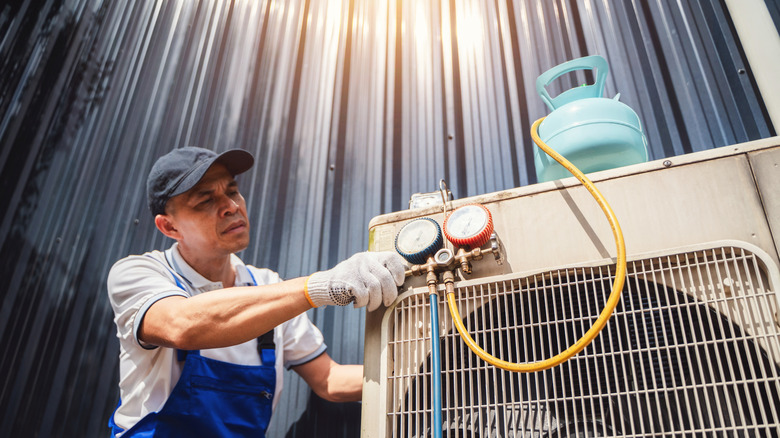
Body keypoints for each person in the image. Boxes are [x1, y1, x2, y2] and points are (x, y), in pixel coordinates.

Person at [107, 146, 406, 437]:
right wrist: (320, 287)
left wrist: (415, 372)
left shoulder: (267, 286)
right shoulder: (139, 274)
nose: (231, 206)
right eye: (206, 200)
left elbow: (329, 380)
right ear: (169, 227)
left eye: (233, 191)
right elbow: (182, 324)